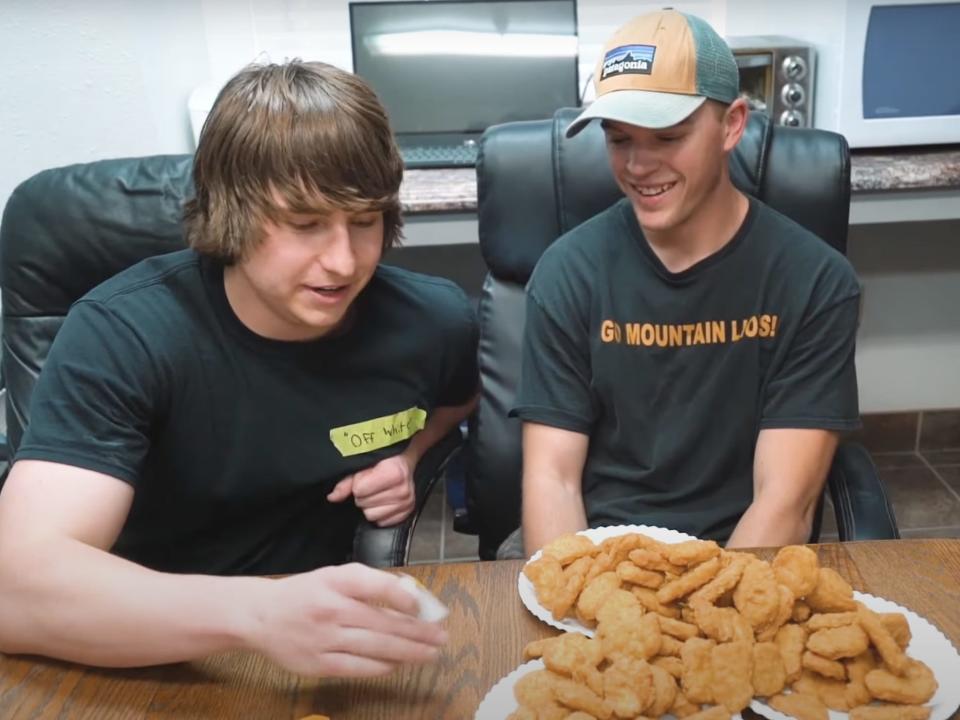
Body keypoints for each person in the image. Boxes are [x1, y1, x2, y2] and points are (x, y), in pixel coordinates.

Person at [0, 60, 478, 676]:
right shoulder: (124, 334)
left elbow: (455, 400)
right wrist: (256, 614)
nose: (342, 261)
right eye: (305, 225)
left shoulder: (433, 319)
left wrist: (407, 456)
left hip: (308, 639)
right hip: (131, 638)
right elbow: (14, 590)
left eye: (365, 221)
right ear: (233, 210)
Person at [510, 10, 861, 558]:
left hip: (738, 555)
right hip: (599, 551)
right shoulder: (567, 272)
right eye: (618, 138)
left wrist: (704, 626)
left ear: (733, 125)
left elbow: (784, 503)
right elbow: (552, 479)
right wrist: (581, 610)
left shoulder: (813, 280)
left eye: (668, 136)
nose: (639, 165)